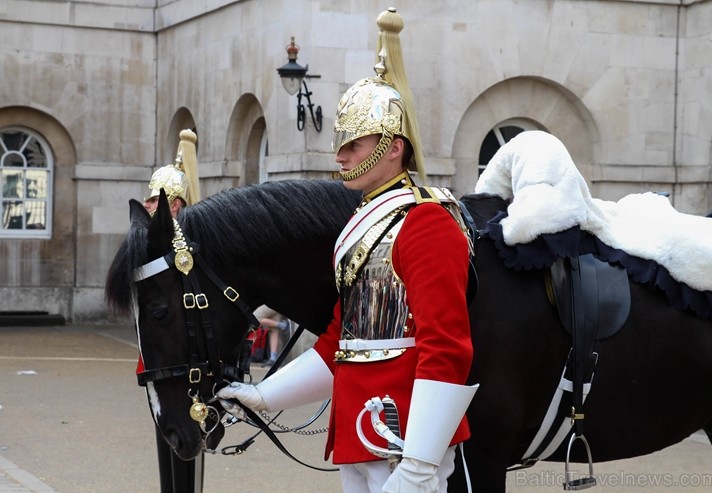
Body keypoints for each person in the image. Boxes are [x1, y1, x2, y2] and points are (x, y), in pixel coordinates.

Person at [218, 8, 477, 493]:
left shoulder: (424, 221)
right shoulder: (362, 222)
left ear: (393, 147)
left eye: (355, 144)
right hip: (359, 430)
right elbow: (344, 340)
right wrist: (265, 395)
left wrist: (420, 462)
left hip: (403, 435)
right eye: (342, 142)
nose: (340, 154)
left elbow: (446, 345)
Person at [138, 128, 204, 493]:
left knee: (186, 441)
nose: (149, 206)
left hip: (189, 357)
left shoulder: (188, 248)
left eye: (154, 200)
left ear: (174, 204)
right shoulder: (153, 245)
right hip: (159, 356)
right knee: (164, 437)